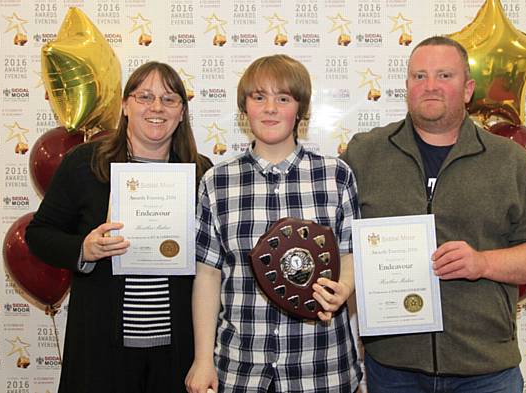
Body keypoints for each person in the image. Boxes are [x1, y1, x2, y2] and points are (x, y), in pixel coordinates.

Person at [340, 36, 526, 393]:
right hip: (393, 369)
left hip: (486, 371)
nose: (430, 86)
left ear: (468, 89)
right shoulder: (365, 154)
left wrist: (482, 263)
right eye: (419, 76)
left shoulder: (508, 160)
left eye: (444, 75)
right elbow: (337, 240)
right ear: (407, 87)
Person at [26, 61, 212, 393]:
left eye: (169, 99)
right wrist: (84, 249)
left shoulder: (201, 172)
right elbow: (39, 234)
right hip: (101, 348)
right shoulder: (85, 163)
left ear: (182, 112)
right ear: (125, 105)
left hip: (178, 350)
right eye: (145, 97)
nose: (157, 107)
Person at [185, 54, 361, 393]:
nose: (270, 108)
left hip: (321, 367)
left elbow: (351, 255)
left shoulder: (336, 175)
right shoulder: (216, 181)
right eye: (259, 97)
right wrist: (203, 359)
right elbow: (208, 275)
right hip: (241, 368)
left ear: (300, 109)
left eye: (283, 98)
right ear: (244, 108)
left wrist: (344, 288)